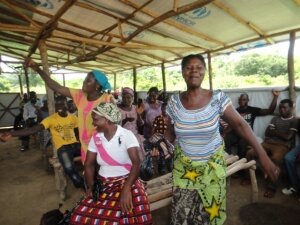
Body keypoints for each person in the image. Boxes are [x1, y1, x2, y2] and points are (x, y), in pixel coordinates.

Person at [164, 54, 279, 225]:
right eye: (189, 67)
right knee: (182, 217)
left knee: (208, 217)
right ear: (182, 72)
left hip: (211, 167)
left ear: (205, 72)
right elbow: (169, 132)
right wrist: (166, 145)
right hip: (184, 170)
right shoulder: (174, 102)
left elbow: (241, 125)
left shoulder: (217, 98)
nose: (194, 71)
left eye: (199, 67)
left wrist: (264, 157)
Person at [69, 102, 152, 225]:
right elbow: (89, 164)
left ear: (107, 120)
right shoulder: (96, 138)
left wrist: (126, 189)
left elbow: (136, 163)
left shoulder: (126, 135)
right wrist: (91, 187)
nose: (93, 123)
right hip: (104, 184)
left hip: (127, 180)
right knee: (78, 217)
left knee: (134, 214)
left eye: (95, 120)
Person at [25, 58, 112, 162]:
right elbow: (57, 87)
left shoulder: (107, 100)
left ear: (97, 85)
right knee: (89, 173)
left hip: (102, 145)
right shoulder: (80, 95)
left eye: (88, 81)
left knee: (102, 173)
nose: (84, 83)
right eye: (84, 80)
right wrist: (38, 69)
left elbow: (114, 126)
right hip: (85, 145)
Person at [0, 96, 84, 189]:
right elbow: (34, 130)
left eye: (62, 103)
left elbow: (81, 130)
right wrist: (12, 134)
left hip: (75, 145)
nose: (59, 106)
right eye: (57, 104)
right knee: (69, 167)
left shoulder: (73, 118)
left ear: (67, 105)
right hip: (63, 148)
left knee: (92, 155)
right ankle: (81, 184)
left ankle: (91, 180)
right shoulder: (51, 119)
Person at [246, 99, 298, 198]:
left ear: (291, 108)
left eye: (284, 108)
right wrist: (279, 133)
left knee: (276, 159)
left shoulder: (293, 121)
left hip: (283, 145)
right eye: (280, 108)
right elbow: (267, 132)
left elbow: (288, 137)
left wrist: (274, 131)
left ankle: (272, 187)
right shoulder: (275, 119)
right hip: (268, 143)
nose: (281, 110)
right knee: (250, 153)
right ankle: (248, 177)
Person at [224, 90, 279, 157]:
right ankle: (228, 159)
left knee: (242, 144)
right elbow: (230, 125)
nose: (241, 101)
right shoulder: (235, 111)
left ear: (247, 100)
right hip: (236, 133)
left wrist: (275, 97)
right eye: (240, 100)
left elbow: (270, 111)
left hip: (246, 133)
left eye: (244, 100)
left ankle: (240, 161)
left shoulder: (252, 110)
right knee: (226, 140)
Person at [118, 87, 145, 157]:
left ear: (132, 98)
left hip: (134, 136)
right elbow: (115, 127)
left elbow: (140, 125)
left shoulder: (136, 108)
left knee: (136, 158)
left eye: (128, 97)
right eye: (124, 97)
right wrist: (124, 121)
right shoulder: (117, 109)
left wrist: (139, 115)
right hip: (122, 138)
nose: (126, 100)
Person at [148, 102, 174, 175]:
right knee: (160, 142)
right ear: (161, 109)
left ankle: (164, 162)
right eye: (163, 108)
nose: (165, 110)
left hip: (167, 136)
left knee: (167, 144)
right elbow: (153, 128)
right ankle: (166, 161)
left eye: (166, 109)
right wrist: (151, 137)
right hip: (158, 135)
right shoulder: (158, 118)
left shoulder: (171, 119)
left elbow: (173, 129)